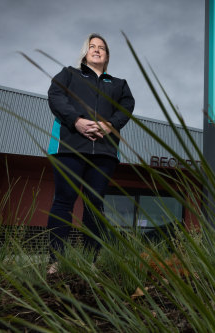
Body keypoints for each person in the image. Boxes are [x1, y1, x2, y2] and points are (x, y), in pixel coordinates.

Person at [46, 33, 135, 273]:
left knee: (95, 205)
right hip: (69, 147)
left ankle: (90, 262)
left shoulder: (119, 84)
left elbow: (127, 107)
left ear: (107, 55)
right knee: (63, 201)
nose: (97, 50)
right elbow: (55, 96)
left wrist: (109, 125)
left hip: (104, 152)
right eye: (92, 46)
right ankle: (56, 260)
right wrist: (76, 120)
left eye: (102, 48)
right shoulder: (69, 74)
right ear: (85, 52)